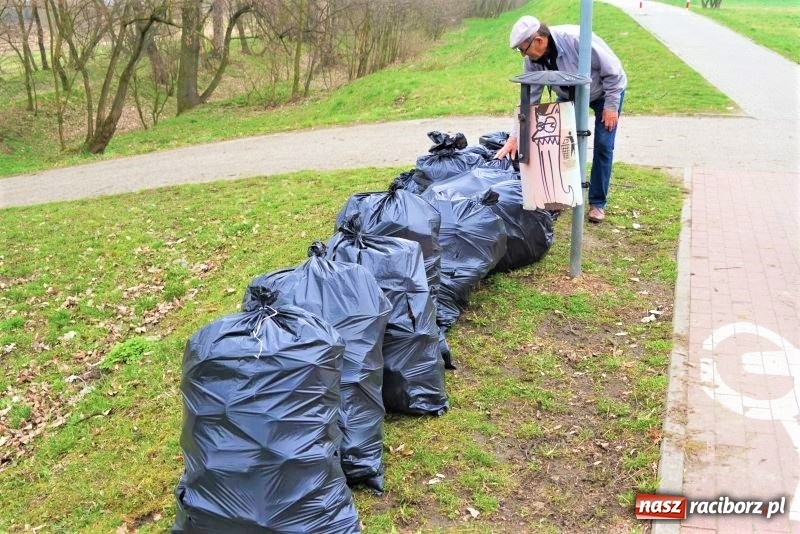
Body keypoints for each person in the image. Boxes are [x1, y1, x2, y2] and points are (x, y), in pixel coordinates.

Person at [496, 16, 627, 223]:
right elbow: (530, 100)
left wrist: (611, 106)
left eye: (523, 48)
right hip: (569, 95)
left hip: (604, 93)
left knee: (603, 145)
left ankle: (597, 203)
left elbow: (614, 73)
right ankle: (563, 195)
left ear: (539, 40)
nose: (523, 54)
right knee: (558, 141)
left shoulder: (576, 40)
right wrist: (515, 137)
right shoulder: (532, 60)